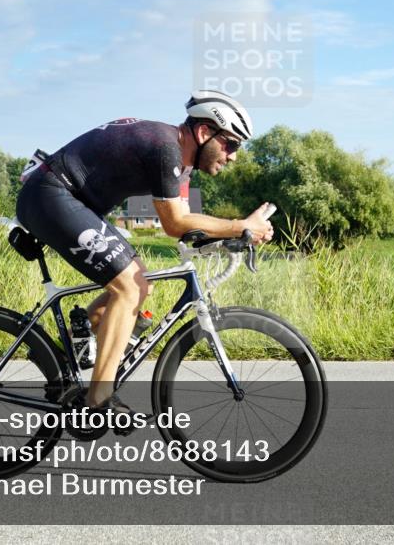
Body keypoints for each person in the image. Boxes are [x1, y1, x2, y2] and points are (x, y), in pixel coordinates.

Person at [15, 90, 274, 410]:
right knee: (130, 286)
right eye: (231, 144)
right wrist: (239, 225)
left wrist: (236, 235)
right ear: (204, 132)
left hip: (68, 200)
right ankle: (99, 400)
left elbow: (186, 225)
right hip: (51, 195)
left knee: (141, 283)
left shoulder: (181, 162)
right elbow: (174, 223)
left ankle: (61, 356)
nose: (232, 156)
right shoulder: (166, 148)